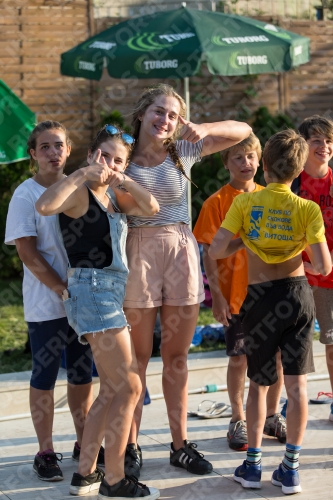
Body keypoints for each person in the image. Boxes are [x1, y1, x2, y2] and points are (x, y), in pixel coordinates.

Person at [122, 83, 252, 478]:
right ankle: (129, 446)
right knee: (137, 360)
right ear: (143, 113)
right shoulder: (122, 157)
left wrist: (199, 125)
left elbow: (242, 129)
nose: (165, 120)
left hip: (180, 249)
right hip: (138, 251)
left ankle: (179, 445)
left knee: (177, 358)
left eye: (173, 115)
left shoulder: (184, 149)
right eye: (159, 111)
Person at [36, 125, 160, 499]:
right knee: (130, 386)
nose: (108, 164)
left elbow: (152, 206)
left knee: (110, 389)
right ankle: (115, 479)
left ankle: (86, 474)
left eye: (117, 159)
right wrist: (79, 174)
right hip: (92, 293)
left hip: (108, 293)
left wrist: (123, 178)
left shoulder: (113, 199)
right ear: (91, 155)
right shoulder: (78, 193)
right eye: (103, 156)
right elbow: (44, 206)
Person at [209, 129, 332, 495]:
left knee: (259, 385)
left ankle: (252, 467)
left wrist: (244, 237)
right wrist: (301, 262)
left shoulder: (245, 205)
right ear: (297, 171)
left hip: (260, 300)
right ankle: (290, 469)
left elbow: (216, 250)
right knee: (297, 386)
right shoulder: (307, 208)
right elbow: (324, 267)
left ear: (264, 167)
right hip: (297, 297)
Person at [5, 120, 96, 482]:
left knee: (82, 375)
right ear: (33, 155)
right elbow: (28, 253)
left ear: (69, 150)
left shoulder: (81, 187)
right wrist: (62, 289)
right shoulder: (25, 195)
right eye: (44, 147)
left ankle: (82, 441)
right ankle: (45, 451)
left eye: (58, 145)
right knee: (44, 376)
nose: (52, 152)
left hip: (84, 301)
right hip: (48, 304)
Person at [193, 133, 286, 452]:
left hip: (272, 295)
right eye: (237, 157)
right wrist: (216, 296)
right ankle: (237, 419)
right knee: (240, 360)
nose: (245, 163)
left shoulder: (274, 196)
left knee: (276, 358)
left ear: (260, 160)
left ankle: (273, 416)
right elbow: (209, 254)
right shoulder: (216, 203)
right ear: (225, 163)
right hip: (236, 298)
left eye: (250, 156)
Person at [293, 116, 333, 420]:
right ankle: (293, 404)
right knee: (294, 347)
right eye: (317, 140)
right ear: (302, 144)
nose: (325, 146)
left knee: (332, 343)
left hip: (330, 279)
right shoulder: (290, 184)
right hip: (297, 278)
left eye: (329, 140)